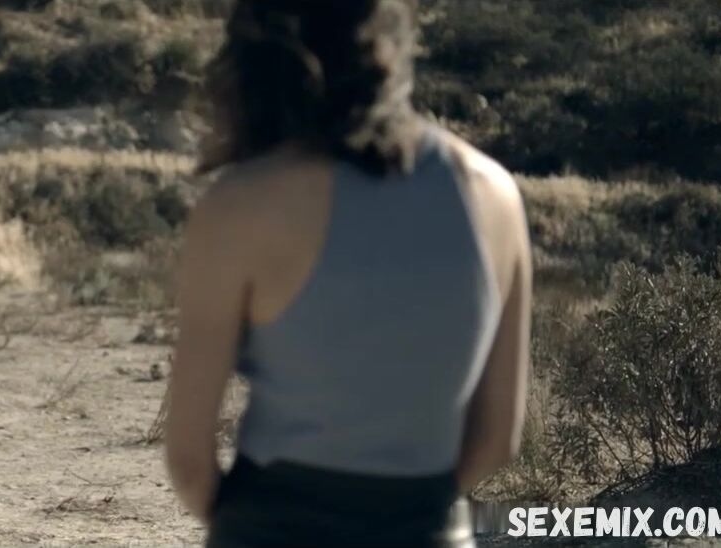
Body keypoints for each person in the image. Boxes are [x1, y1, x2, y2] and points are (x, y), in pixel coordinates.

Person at [163, 1, 532, 546]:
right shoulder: (493, 193)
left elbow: (190, 460)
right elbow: (498, 438)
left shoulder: (242, 204)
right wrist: (404, 517)